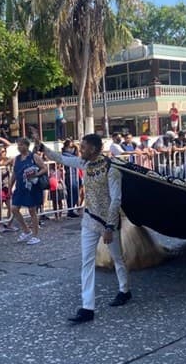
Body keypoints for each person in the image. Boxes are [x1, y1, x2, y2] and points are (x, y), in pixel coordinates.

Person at [39, 134, 131, 323]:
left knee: (117, 257)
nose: (80, 149)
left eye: (84, 147)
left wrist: (110, 226)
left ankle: (124, 289)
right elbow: (61, 158)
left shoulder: (112, 169)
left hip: (108, 222)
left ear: (95, 149)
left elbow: (116, 200)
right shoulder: (85, 164)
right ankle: (87, 307)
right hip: (89, 220)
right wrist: (41, 146)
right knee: (87, 261)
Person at [10, 138, 47, 245]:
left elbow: (44, 168)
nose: (19, 147)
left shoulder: (33, 157)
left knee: (32, 210)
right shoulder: (16, 159)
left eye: (21, 145)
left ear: (26, 146)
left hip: (32, 187)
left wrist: (36, 174)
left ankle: (35, 235)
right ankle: (26, 230)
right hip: (20, 187)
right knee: (14, 208)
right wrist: (10, 185)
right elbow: (14, 173)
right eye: (18, 145)